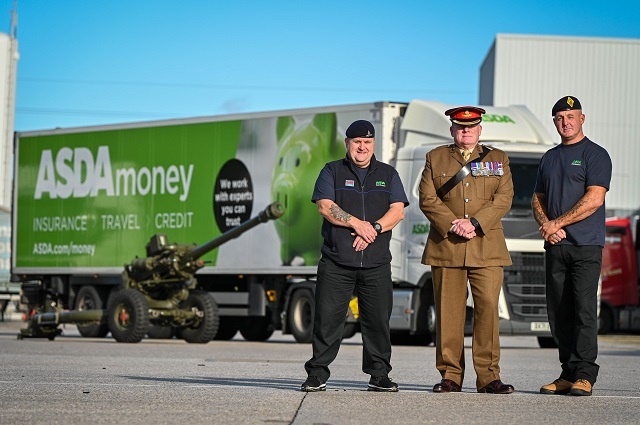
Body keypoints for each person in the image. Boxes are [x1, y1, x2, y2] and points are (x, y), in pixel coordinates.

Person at [301, 119, 409, 392]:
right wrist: (356, 224)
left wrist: (371, 229)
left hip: (376, 263)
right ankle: (317, 374)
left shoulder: (388, 173)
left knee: (377, 323)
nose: (362, 147)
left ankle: (379, 375)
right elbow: (325, 207)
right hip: (337, 261)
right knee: (327, 320)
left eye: (367, 142)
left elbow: (397, 211)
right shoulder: (332, 171)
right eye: (357, 142)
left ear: (373, 144)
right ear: (348, 143)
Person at [419, 106, 515, 394]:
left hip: (487, 246)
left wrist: (474, 222)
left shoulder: (498, 159)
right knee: (448, 314)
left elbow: (504, 198)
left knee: (487, 312)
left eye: (471, 127)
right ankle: (450, 375)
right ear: (452, 130)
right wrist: (453, 224)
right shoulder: (435, 157)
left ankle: (488, 377)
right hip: (447, 246)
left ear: (480, 130)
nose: (466, 131)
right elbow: (426, 197)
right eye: (460, 127)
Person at [532, 96, 612, 397]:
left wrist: (558, 224)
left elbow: (594, 199)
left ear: (582, 118)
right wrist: (546, 226)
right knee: (559, 312)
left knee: (583, 310)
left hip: (586, 246)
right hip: (555, 246)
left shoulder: (596, 154)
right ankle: (567, 372)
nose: (566, 122)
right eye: (560, 117)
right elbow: (536, 198)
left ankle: (585, 374)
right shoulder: (549, 158)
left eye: (571, 116)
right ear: (555, 122)